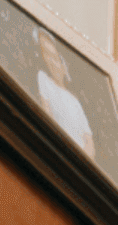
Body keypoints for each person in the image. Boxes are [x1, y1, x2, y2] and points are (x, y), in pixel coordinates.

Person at [34, 28, 95, 159]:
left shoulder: (75, 102)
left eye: (55, 58)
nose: (52, 62)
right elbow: (47, 115)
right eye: (46, 54)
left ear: (63, 65)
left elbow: (89, 142)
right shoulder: (44, 79)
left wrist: (82, 160)